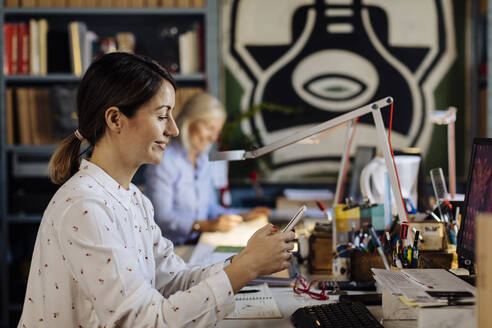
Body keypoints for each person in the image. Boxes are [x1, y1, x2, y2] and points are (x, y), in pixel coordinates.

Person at [17, 52, 294, 328]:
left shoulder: (134, 199)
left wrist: (245, 259)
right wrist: (248, 268)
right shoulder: (85, 206)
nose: (173, 129)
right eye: (163, 116)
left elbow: (173, 280)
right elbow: (145, 323)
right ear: (115, 120)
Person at [145, 92, 270, 245]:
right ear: (189, 122)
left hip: (200, 243)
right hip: (171, 249)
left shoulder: (203, 161)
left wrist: (243, 215)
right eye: (210, 128)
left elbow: (211, 208)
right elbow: (162, 218)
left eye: (217, 132)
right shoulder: (164, 161)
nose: (213, 138)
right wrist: (207, 225)